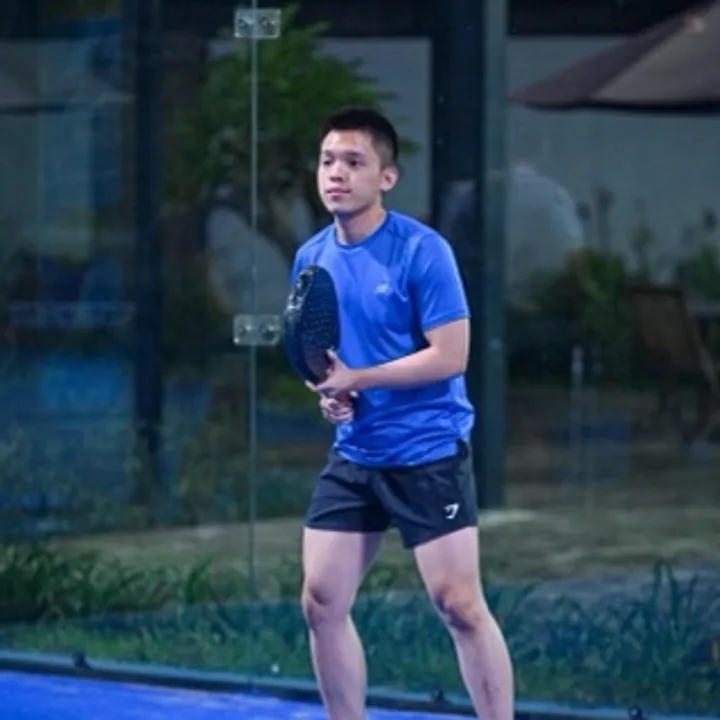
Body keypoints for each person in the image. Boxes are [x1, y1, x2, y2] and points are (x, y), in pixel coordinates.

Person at [289, 107, 514, 720]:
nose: (336, 173)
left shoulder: (423, 251)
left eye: (354, 162)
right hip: (355, 453)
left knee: (459, 606)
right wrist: (331, 393)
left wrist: (359, 378)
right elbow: (323, 357)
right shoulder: (311, 257)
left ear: (386, 177)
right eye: (328, 161)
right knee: (320, 601)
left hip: (427, 451)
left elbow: (451, 355)